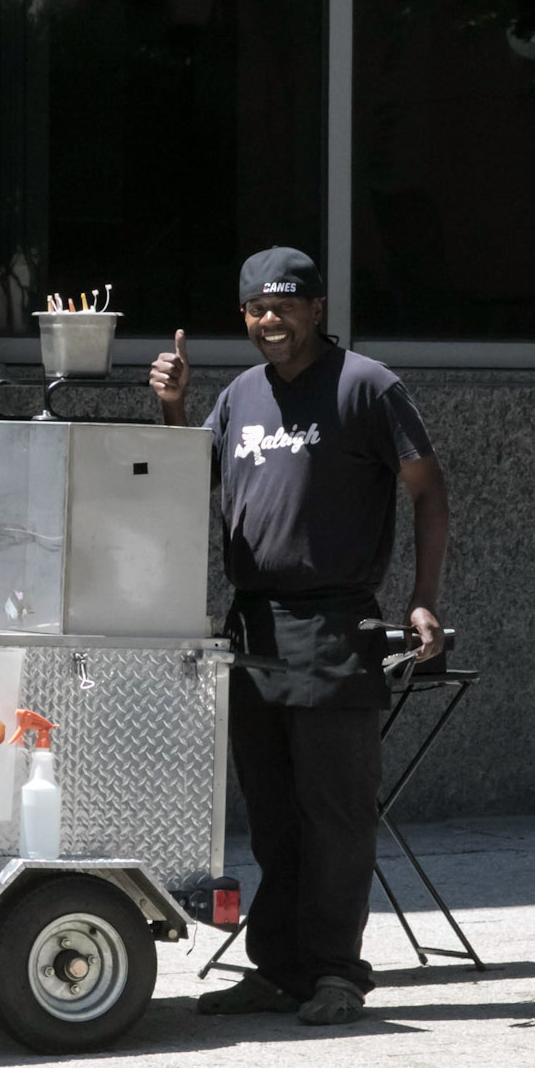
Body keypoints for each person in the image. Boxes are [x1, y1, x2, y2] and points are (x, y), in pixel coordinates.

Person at [150, 246, 448, 1026]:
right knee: (274, 815)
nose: (270, 320)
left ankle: (337, 972)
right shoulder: (241, 394)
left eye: (285, 306)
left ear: (317, 309)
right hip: (252, 624)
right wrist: (177, 409)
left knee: (335, 813)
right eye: (256, 308)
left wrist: (422, 600)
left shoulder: (366, 386)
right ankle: (278, 970)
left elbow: (429, 490)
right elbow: (191, 483)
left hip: (336, 624)